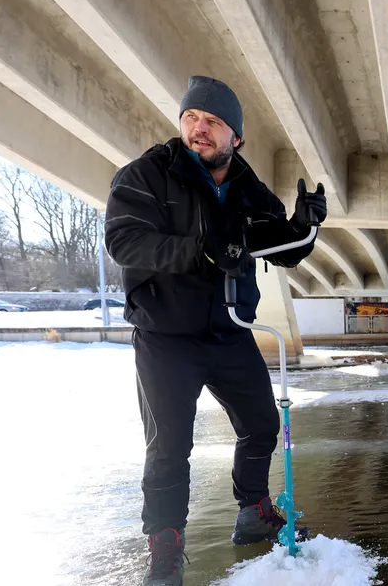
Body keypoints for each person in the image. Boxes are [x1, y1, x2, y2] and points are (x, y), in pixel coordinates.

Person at [104, 76, 327, 586]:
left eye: (213, 122)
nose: (199, 130)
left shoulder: (248, 187)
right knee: (169, 446)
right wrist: (198, 248)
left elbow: (280, 249)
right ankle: (164, 549)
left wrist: (303, 228)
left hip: (229, 331)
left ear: (236, 137)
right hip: (165, 336)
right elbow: (124, 242)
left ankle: (253, 511)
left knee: (262, 425)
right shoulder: (145, 175)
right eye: (191, 119)